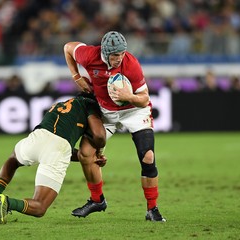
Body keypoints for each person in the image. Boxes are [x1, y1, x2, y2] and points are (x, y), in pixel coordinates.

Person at [63, 31, 166, 221]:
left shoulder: (131, 63)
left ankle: (152, 209)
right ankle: (97, 200)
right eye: (115, 55)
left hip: (134, 111)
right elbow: (68, 48)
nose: (119, 58)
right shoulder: (89, 55)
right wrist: (76, 76)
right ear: (104, 52)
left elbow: (144, 100)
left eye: (121, 54)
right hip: (106, 113)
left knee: (148, 157)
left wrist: (130, 97)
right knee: (86, 154)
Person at [0, 93, 106, 223]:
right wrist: (99, 152)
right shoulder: (91, 104)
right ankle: (8, 202)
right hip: (57, 149)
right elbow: (99, 135)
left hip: (36, 138)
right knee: (39, 207)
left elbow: (55, 136)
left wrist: (84, 156)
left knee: (13, 160)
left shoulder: (61, 104)